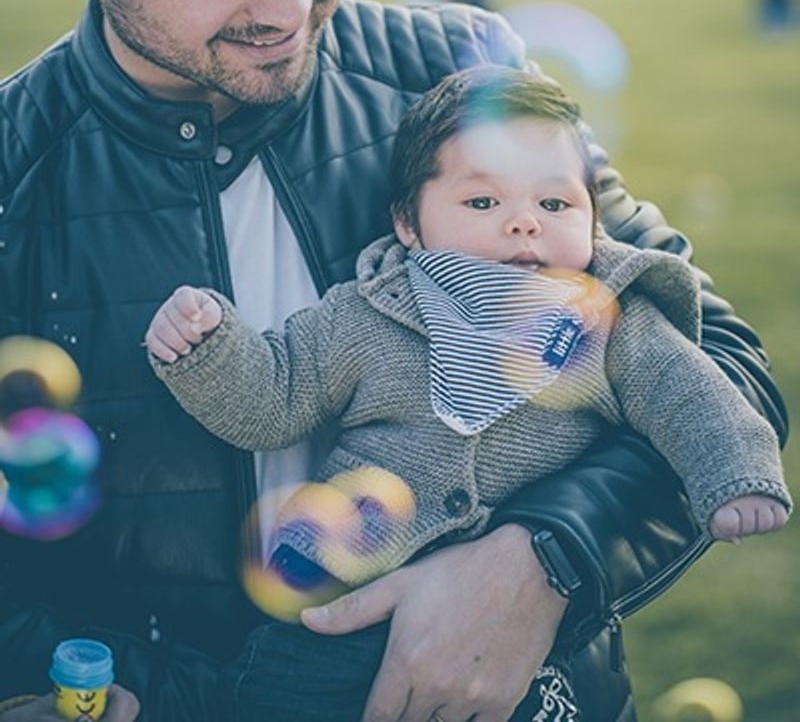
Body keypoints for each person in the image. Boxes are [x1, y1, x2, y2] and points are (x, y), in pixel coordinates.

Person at [0, 0, 788, 722]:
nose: (285, 7)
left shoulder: (456, 77)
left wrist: (539, 561)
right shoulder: (16, 172)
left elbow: (714, 368)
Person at [145, 69, 790, 721]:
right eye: (483, 204)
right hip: (339, 607)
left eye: (555, 205)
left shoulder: (609, 319)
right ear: (408, 223)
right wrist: (208, 346)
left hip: (525, 634)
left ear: (594, 217)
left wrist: (734, 474)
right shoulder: (367, 315)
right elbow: (273, 399)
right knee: (277, 702)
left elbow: (690, 392)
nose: (523, 225)